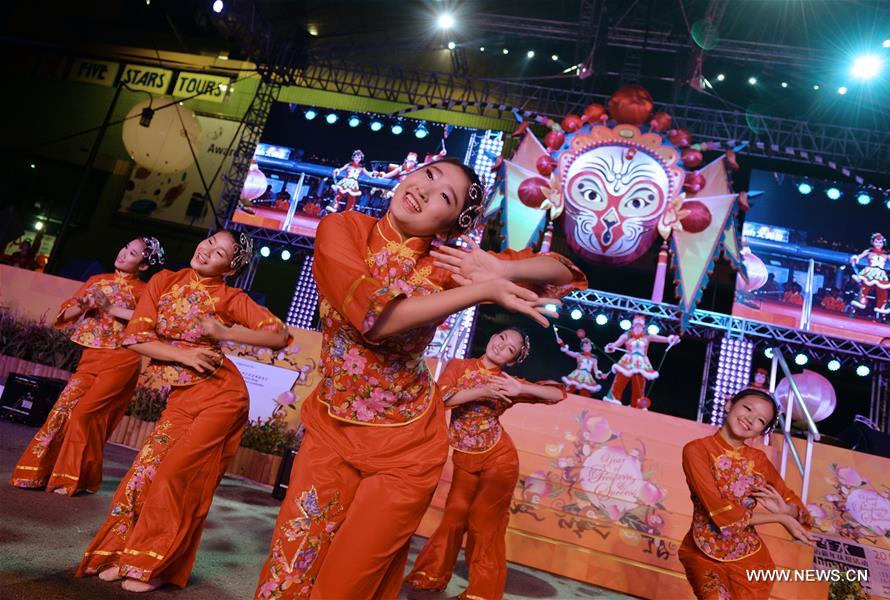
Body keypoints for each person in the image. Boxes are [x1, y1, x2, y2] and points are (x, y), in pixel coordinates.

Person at [255, 158, 586, 599]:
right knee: (289, 566)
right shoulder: (344, 229)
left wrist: (502, 270)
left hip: (408, 450)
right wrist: (482, 289)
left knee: (346, 583)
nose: (426, 191)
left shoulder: (448, 262)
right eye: (429, 175)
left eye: (445, 197)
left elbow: (568, 272)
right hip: (333, 429)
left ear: (449, 226)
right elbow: (377, 319)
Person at [76, 230, 290, 593]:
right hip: (182, 399)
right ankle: (121, 554)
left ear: (231, 267)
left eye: (219, 252)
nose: (207, 252)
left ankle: (153, 567)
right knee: (143, 474)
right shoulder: (164, 280)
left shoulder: (229, 296)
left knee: (175, 478)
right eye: (209, 243)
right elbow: (137, 338)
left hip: (221, 399)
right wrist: (185, 354)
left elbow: (278, 335)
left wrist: (224, 333)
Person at [405, 328, 565, 600]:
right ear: (492, 337)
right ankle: (431, 574)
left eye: (511, 349)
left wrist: (521, 387)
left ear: (512, 360)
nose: (502, 346)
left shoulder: (507, 382)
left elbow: (557, 394)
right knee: (454, 516)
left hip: (498, 459)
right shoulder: (460, 366)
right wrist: (482, 390)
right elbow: (441, 398)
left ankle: (482, 593)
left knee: (483, 524)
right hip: (466, 457)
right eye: (501, 337)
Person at [10, 237, 165, 496]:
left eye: (133, 252)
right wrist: (82, 306)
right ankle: (37, 473)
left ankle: (69, 478)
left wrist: (109, 307)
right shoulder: (97, 281)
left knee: (84, 415)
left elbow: (152, 320)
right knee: (61, 411)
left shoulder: (144, 290)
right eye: (125, 247)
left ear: (144, 265)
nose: (124, 253)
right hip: (90, 358)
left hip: (121, 359)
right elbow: (66, 315)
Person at [678, 388, 817, 599]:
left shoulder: (758, 460)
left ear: (762, 432)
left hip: (751, 560)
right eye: (747, 408)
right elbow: (719, 511)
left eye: (761, 420)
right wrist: (779, 518)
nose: (750, 419)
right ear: (729, 404)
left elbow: (799, 509)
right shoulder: (697, 450)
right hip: (703, 554)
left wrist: (787, 510)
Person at [603, 315, 679, 406]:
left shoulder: (648, 336)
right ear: (632, 324)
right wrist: (611, 347)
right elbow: (616, 344)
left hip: (642, 363)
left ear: (644, 325)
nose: (638, 323)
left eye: (641, 322)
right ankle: (613, 399)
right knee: (619, 381)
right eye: (636, 321)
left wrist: (672, 339)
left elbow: (665, 339)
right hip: (627, 361)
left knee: (639, 386)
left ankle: (637, 405)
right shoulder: (626, 335)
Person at [850, 233, 890, 315]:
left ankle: (882, 311)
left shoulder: (886, 254)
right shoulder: (869, 251)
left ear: (883, 243)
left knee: (883, 291)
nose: (878, 244)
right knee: (864, 289)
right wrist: (855, 258)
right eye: (876, 242)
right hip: (870, 272)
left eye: (880, 242)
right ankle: (855, 308)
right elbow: (859, 256)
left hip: (880, 274)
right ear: (873, 242)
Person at [555, 328, 606, 395]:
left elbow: (596, 371)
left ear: (591, 347)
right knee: (569, 390)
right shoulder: (579, 355)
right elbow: (568, 352)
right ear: (582, 348)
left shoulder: (594, 359)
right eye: (585, 346)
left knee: (585, 393)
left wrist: (601, 375)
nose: (587, 347)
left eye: (588, 346)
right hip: (577, 375)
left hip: (587, 377)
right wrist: (562, 343)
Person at [328, 149, 377, 213]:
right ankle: (333, 208)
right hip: (346, 181)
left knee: (352, 199)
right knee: (339, 195)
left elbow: (369, 175)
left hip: (354, 183)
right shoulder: (349, 165)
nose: (357, 158)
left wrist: (373, 174)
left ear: (361, 159)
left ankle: (348, 212)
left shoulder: (361, 167)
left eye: (359, 157)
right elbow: (341, 169)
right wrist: (337, 171)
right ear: (353, 157)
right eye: (356, 157)